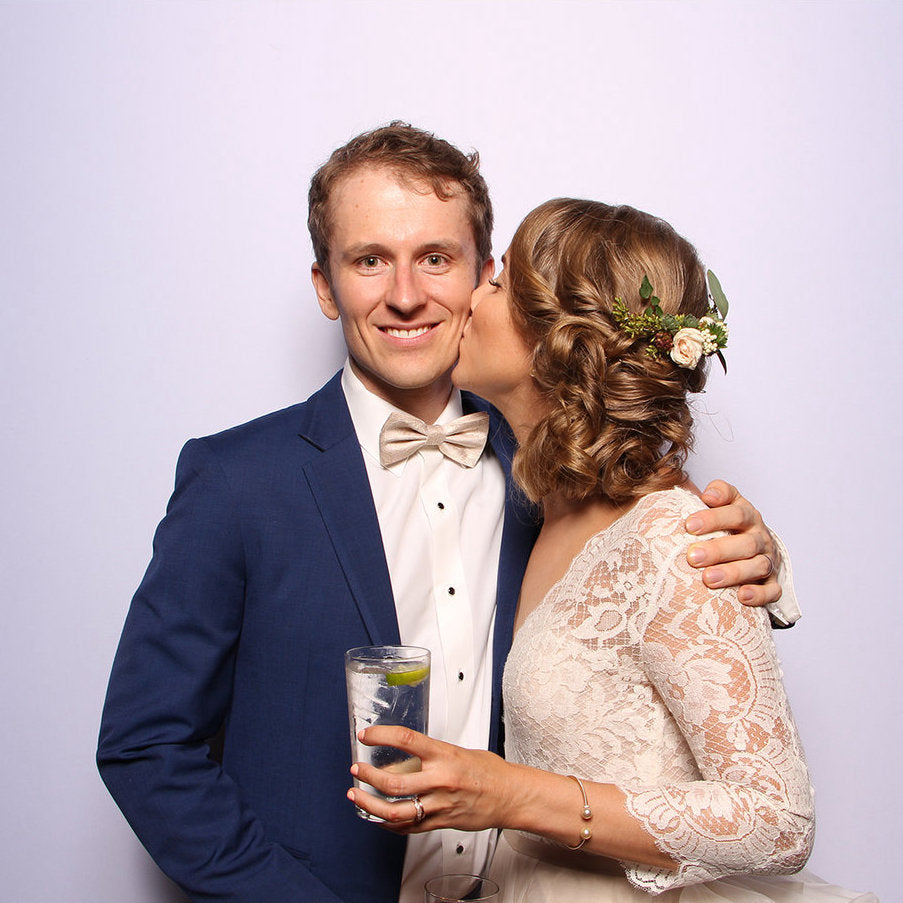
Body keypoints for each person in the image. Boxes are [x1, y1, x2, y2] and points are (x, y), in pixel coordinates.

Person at [97, 125, 796, 903]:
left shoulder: (554, 475)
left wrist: (756, 550)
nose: (404, 293)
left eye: (435, 257)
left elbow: (645, 550)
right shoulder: (236, 481)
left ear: (484, 274)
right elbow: (146, 744)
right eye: (368, 260)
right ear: (326, 285)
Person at [348, 199, 876, 901]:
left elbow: (778, 820)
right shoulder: (546, 505)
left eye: (499, 283)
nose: (471, 296)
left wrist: (510, 793)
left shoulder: (679, 536)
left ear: (560, 339)